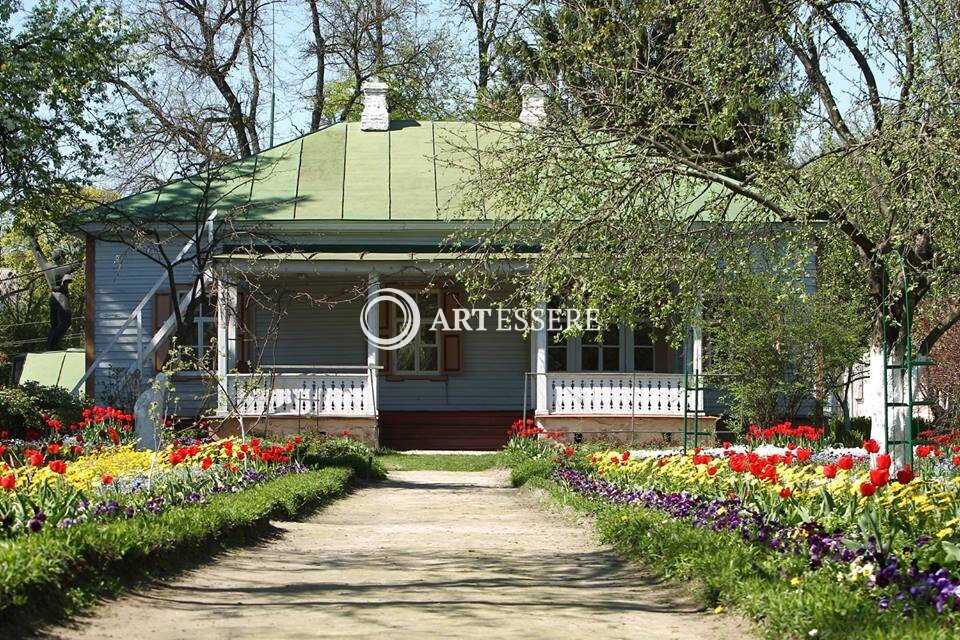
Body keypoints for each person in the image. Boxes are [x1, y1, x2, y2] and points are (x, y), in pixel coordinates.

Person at [29, 238, 80, 350]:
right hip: (61, 298)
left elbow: (38, 254)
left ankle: (51, 345)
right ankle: (52, 344)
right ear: (61, 258)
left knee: (55, 325)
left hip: (52, 298)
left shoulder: (46, 266)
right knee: (66, 322)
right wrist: (78, 248)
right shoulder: (61, 269)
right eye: (64, 256)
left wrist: (33, 242)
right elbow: (76, 265)